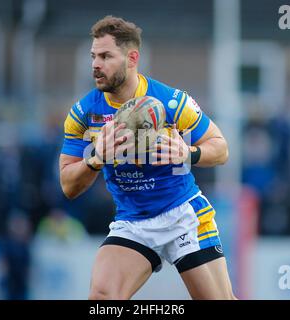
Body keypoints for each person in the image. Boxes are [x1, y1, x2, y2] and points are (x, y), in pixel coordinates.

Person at [59, 15, 236, 300]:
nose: (95, 64)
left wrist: (188, 152)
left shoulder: (171, 102)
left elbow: (222, 149)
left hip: (183, 215)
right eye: (93, 56)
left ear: (132, 58)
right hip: (133, 222)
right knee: (102, 299)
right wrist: (95, 158)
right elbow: (68, 186)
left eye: (106, 56)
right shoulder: (83, 113)